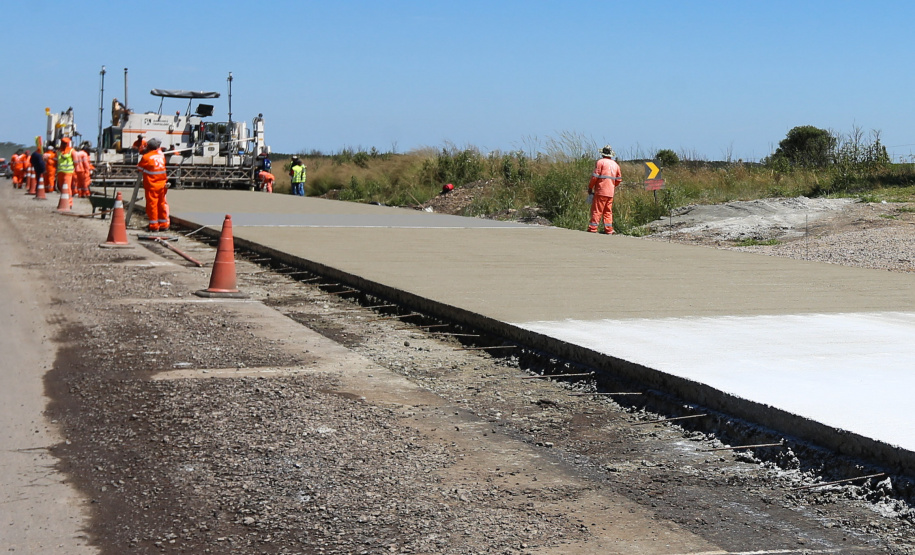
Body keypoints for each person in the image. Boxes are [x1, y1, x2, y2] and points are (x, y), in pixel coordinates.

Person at [587, 145, 622, 234]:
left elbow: (595, 177)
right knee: (608, 211)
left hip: (601, 190)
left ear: (602, 153)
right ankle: (608, 229)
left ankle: (593, 228)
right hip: (610, 192)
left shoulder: (600, 162)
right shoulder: (615, 165)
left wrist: (590, 187)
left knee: (597, 210)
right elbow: (618, 179)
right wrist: (612, 185)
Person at [137, 138, 169, 232]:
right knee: (162, 204)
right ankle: (164, 224)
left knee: (152, 205)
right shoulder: (161, 156)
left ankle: (154, 225)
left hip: (152, 185)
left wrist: (144, 153)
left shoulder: (146, 157)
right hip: (162, 184)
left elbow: (139, 167)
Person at [56, 138, 76, 208]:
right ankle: (63, 201)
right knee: (62, 188)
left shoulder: (72, 151)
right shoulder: (58, 151)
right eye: (62, 143)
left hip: (68, 172)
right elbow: (56, 161)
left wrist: (75, 171)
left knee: (67, 188)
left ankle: (69, 203)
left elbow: (76, 162)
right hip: (60, 172)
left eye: (65, 143)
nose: (63, 145)